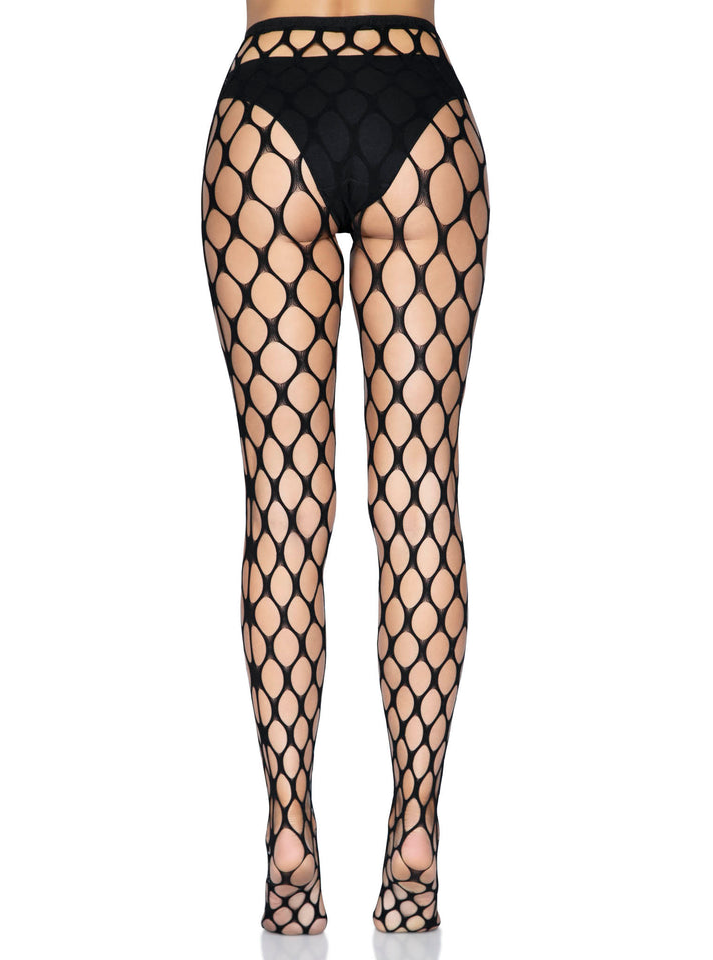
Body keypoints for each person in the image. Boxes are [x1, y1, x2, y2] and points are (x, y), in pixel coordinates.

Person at [200, 0, 489, 936]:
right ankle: (416, 833)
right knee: (420, 496)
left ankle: (290, 834)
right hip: (415, 93)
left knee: (283, 505)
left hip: (266, 104)